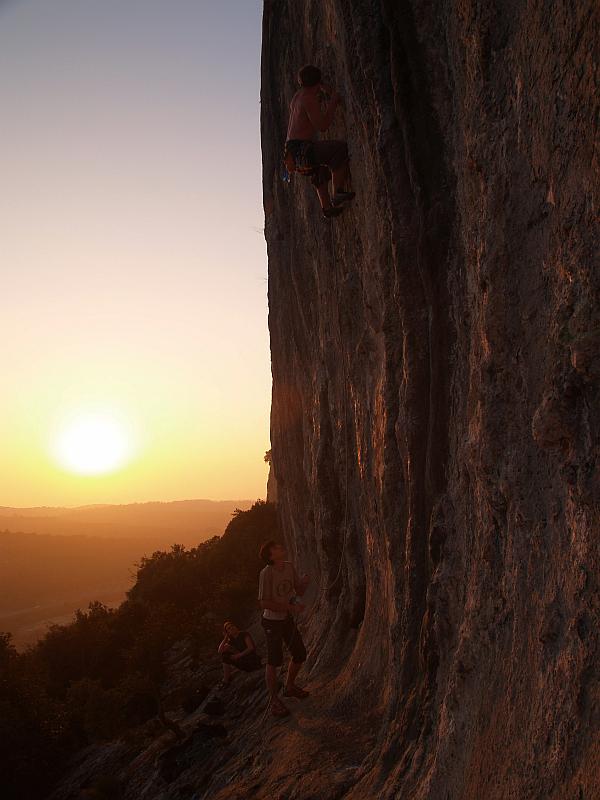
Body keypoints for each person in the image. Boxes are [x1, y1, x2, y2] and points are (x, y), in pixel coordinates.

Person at [284, 64, 355, 219]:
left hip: (292, 153)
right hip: (302, 150)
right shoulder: (308, 99)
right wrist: (333, 101)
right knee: (340, 149)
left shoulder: (298, 96)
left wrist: (325, 91)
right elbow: (322, 126)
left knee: (318, 169)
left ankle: (327, 208)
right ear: (317, 83)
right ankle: (337, 192)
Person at [258, 540, 310, 717]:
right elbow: (264, 602)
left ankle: (289, 686)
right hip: (271, 622)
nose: (281, 547)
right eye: (276, 548)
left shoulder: (288, 567)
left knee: (300, 653)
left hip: (286, 619)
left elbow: (298, 592)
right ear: (271, 556)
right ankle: (274, 702)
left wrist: (304, 583)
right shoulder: (266, 573)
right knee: (274, 661)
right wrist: (290, 608)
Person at [217, 621, 261, 687]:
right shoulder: (232, 640)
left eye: (232, 626)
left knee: (227, 656)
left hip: (253, 661)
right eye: (229, 628)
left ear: (235, 626)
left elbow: (251, 648)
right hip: (244, 661)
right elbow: (220, 651)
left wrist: (238, 656)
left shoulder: (244, 634)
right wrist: (225, 638)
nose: (231, 628)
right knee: (225, 656)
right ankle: (226, 679)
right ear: (228, 632)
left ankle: (226, 680)